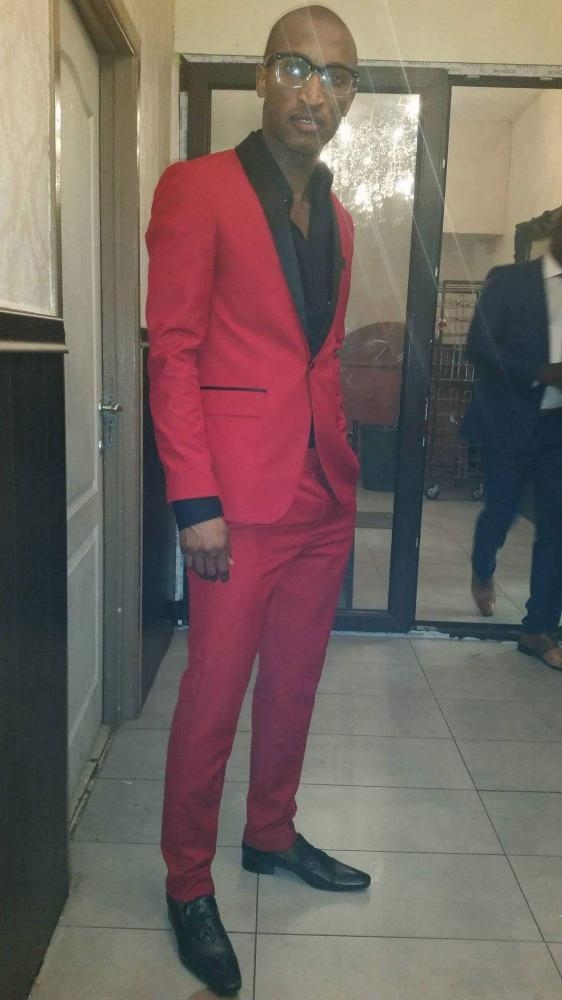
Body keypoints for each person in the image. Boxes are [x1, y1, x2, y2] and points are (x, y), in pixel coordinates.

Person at [145, 7, 371, 995]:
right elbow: (174, 352)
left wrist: (341, 456)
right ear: (261, 78)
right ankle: (187, 881)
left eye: (336, 76)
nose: (315, 91)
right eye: (296, 67)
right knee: (212, 698)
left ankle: (269, 832)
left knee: (294, 685)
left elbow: (317, 353)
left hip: (321, 491)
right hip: (233, 504)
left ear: (350, 95)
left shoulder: (343, 218)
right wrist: (193, 498)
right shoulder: (196, 189)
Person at [461, 209, 562, 670]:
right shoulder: (510, 279)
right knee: (501, 511)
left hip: (558, 428)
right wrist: (541, 373)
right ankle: (483, 568)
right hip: (511, 421)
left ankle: (537, 629)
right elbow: (479, 346)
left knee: (556, 530)